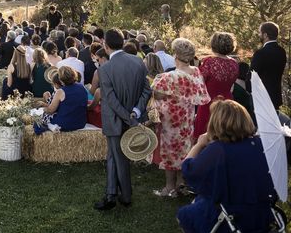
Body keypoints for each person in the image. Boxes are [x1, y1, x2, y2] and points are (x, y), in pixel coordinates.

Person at [177, 100, 278, 233]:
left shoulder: (218, 150)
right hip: (262, 214)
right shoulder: (261, 144)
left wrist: (199, 144)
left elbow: (188, 171)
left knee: (185, 215)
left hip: (232, 216)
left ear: (216, 122)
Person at [94, 29, 152, 211]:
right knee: (114, 156)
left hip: (115, 119)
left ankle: (124, 196)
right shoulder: (137, 61)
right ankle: (111, 194)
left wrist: (129, 116)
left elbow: (110, 100)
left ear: (106, 45)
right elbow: (146, 90)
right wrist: (136, 111)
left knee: (117, 158)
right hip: (132, 117)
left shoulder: (105, 69)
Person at [151, 38, 210, 197]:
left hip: (171, 118)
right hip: (187, 117)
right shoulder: (196, 71)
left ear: (176, 55)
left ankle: (169, 188)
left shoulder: (170, 77)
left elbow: (156, 94)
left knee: (170, 152)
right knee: (184, 149)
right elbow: (201, 97)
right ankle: (181, 183)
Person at [193, 32, 240, 140]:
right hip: (228, 102)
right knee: (225, 135)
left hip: (209, 103)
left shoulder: (209, 62)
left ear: (214, 45)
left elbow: (199, 82)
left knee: (204, 137)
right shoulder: (234, 63)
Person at [37, 66, 87, 133]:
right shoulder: (82, 87)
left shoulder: (60, 91)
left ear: (61, 79)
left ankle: (50, 125)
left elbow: (50, 110)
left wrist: (43, 108)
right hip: (80, 123)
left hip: (65, 124)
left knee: (39, 121)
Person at [250, 21, 287, 111]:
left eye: (260, 32)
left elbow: (252, 76)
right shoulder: (282, 51)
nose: (259, 35)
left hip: (261, 98)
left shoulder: (260, 53)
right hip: (275, 97)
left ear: (265, 35)